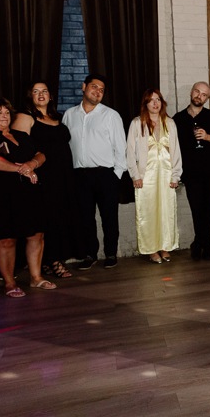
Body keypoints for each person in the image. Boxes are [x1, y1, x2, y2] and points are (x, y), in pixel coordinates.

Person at [12, 81, 83, 278]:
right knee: (46, 220)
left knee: (60, 217)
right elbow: (17, 149)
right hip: (43, 177)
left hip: (63, 176)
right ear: (30, 96)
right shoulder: (25, 117)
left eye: (44, 91)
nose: (41, 94)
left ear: (51, 96)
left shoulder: (57, 117)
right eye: (35, 91)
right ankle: (51, 260)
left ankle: (50, 260)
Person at [63, 74, 127, 270]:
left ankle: (110, 253)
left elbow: (120, 148)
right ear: (83, 87)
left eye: (101, 90)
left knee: (109, 217)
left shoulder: (111, 115)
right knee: (84, 218)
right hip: (80, 176)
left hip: (105, 175)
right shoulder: (69, 115)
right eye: (94, 87)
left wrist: (115, 175)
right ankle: (89, 254)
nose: (98, 92)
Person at [0, 98, 55, 297]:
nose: (4, 116)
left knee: (36, 234)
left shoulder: (21, 135)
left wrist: (32, 164)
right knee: (6, 239)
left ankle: (36, 277)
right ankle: (9, 282)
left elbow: (41, 154)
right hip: (4, 194)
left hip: (30, 192)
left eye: (6, 112)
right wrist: (21, 169)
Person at [173, 82, 210, 261]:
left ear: (207, 98)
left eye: (204, 94)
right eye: (197, 91)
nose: (199, 96)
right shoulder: (178, 118)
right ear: (192, 92)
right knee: (197, 210)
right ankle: (205, 243)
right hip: (190, 173)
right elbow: (173, 147)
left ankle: (200, 241)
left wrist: (208, 137)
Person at [126, 89, 182, 263]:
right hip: (146, 176)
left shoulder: (170, 123)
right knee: (148, 212)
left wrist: (175, 176)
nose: (155, 103)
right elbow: (129, 151)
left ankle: (165, 246)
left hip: (166, 174)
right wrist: (135, 175)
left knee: (166, 211)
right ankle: (151, 249)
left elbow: (176, 150)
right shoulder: (137, 123)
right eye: (151, 100)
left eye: (158, 100)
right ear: (145, 104)